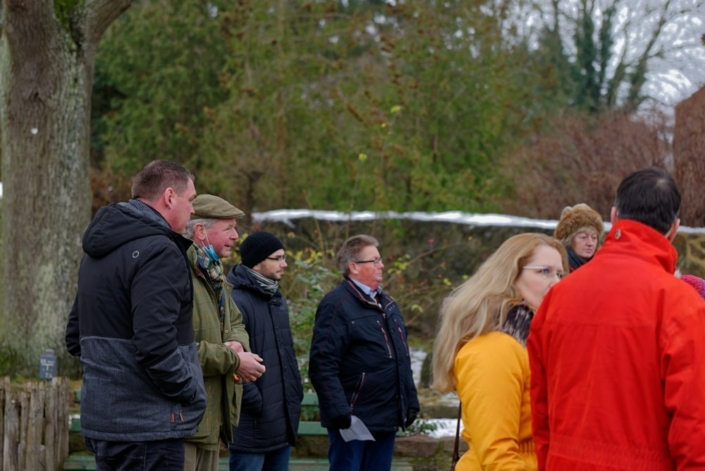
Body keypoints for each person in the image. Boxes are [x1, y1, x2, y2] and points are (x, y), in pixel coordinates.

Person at [529, 167, 705, 470]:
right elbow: (694, 427)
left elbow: (541, 409)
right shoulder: (682, 305)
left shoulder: (557, 297)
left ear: (614, 216)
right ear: (674, 228)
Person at [65, 160, 207, 470]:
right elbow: (155, 344)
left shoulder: (97, 254)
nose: (193, 210)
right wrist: (189, 389)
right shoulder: (161, 251)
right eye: (191, 200)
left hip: (107, 424)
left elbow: (75, 338)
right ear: (170, 197)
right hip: (149, 429)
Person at [432, 233, 566, 471]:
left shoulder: (539, 341)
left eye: (559, 273)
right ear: (511, 276)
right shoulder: (494, 348)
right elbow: (497, 454)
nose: (556, 282)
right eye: (544, 271)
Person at [309, 234, 419, 471]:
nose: (382, 265)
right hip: (353, 419)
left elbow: (401, 358)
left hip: (386, 415)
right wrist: (341, 413)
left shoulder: (387, 304)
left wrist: (409, 400)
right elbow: (322, 363)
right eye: (375, 260)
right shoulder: (336, 304)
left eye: (380, 260)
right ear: (354, 267)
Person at [183, 195, 266, 471]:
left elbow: (237, 323)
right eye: (228, 228)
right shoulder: (179, 272)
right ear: (200, 231)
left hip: (211, 421)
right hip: (185, 424)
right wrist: (232, 359)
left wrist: (237, 344)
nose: (236, 235)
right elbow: (176, 348)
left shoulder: (214, 272)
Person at [226, 231, 304, 471]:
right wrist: (257, 402)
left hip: (280, 422)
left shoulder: (275, 297)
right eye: (278, 258)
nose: (284, 263)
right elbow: (230, 359)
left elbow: (284, 355)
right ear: (258, 262)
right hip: (252, 425)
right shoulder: (236, 300)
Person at [553, 203, 603, 272]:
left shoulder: (603, 267)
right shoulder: (557, 268)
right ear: (569, 240)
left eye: (594, 237)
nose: (590, 243)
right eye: (583, 237)